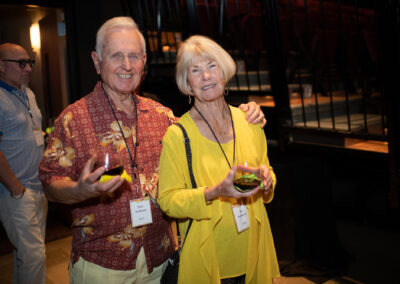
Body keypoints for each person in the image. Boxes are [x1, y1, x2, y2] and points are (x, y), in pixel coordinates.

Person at [39, 17, 266, 283]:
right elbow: (49, 183)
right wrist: (79, 190)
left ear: (144, 62)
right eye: (117, 56)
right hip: (103, 263)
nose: (127, 65)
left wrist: (249, 112)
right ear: (96, 61)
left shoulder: (163, 117)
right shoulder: (72, 119)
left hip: (159, 258)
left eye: (134, 56)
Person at [157, 35, 280, 284]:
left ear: (224, 72)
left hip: (253, 248)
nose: (206, 76)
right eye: (196, 70)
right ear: (187, 84)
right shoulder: (178, 135)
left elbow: (266, 169)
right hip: (209, 255)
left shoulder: (250, 122)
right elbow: (167, 200)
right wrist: (214, 192)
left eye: (212, 66)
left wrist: (267, 181)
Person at [0, 43, 47, 284]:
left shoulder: (28, 93)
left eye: (30, 62)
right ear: (1, 66)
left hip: (37, 187)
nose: (28, 68)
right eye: (21, 63)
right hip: (15, 192)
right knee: (33, 256)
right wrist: (16, 189)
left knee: (26, 256)